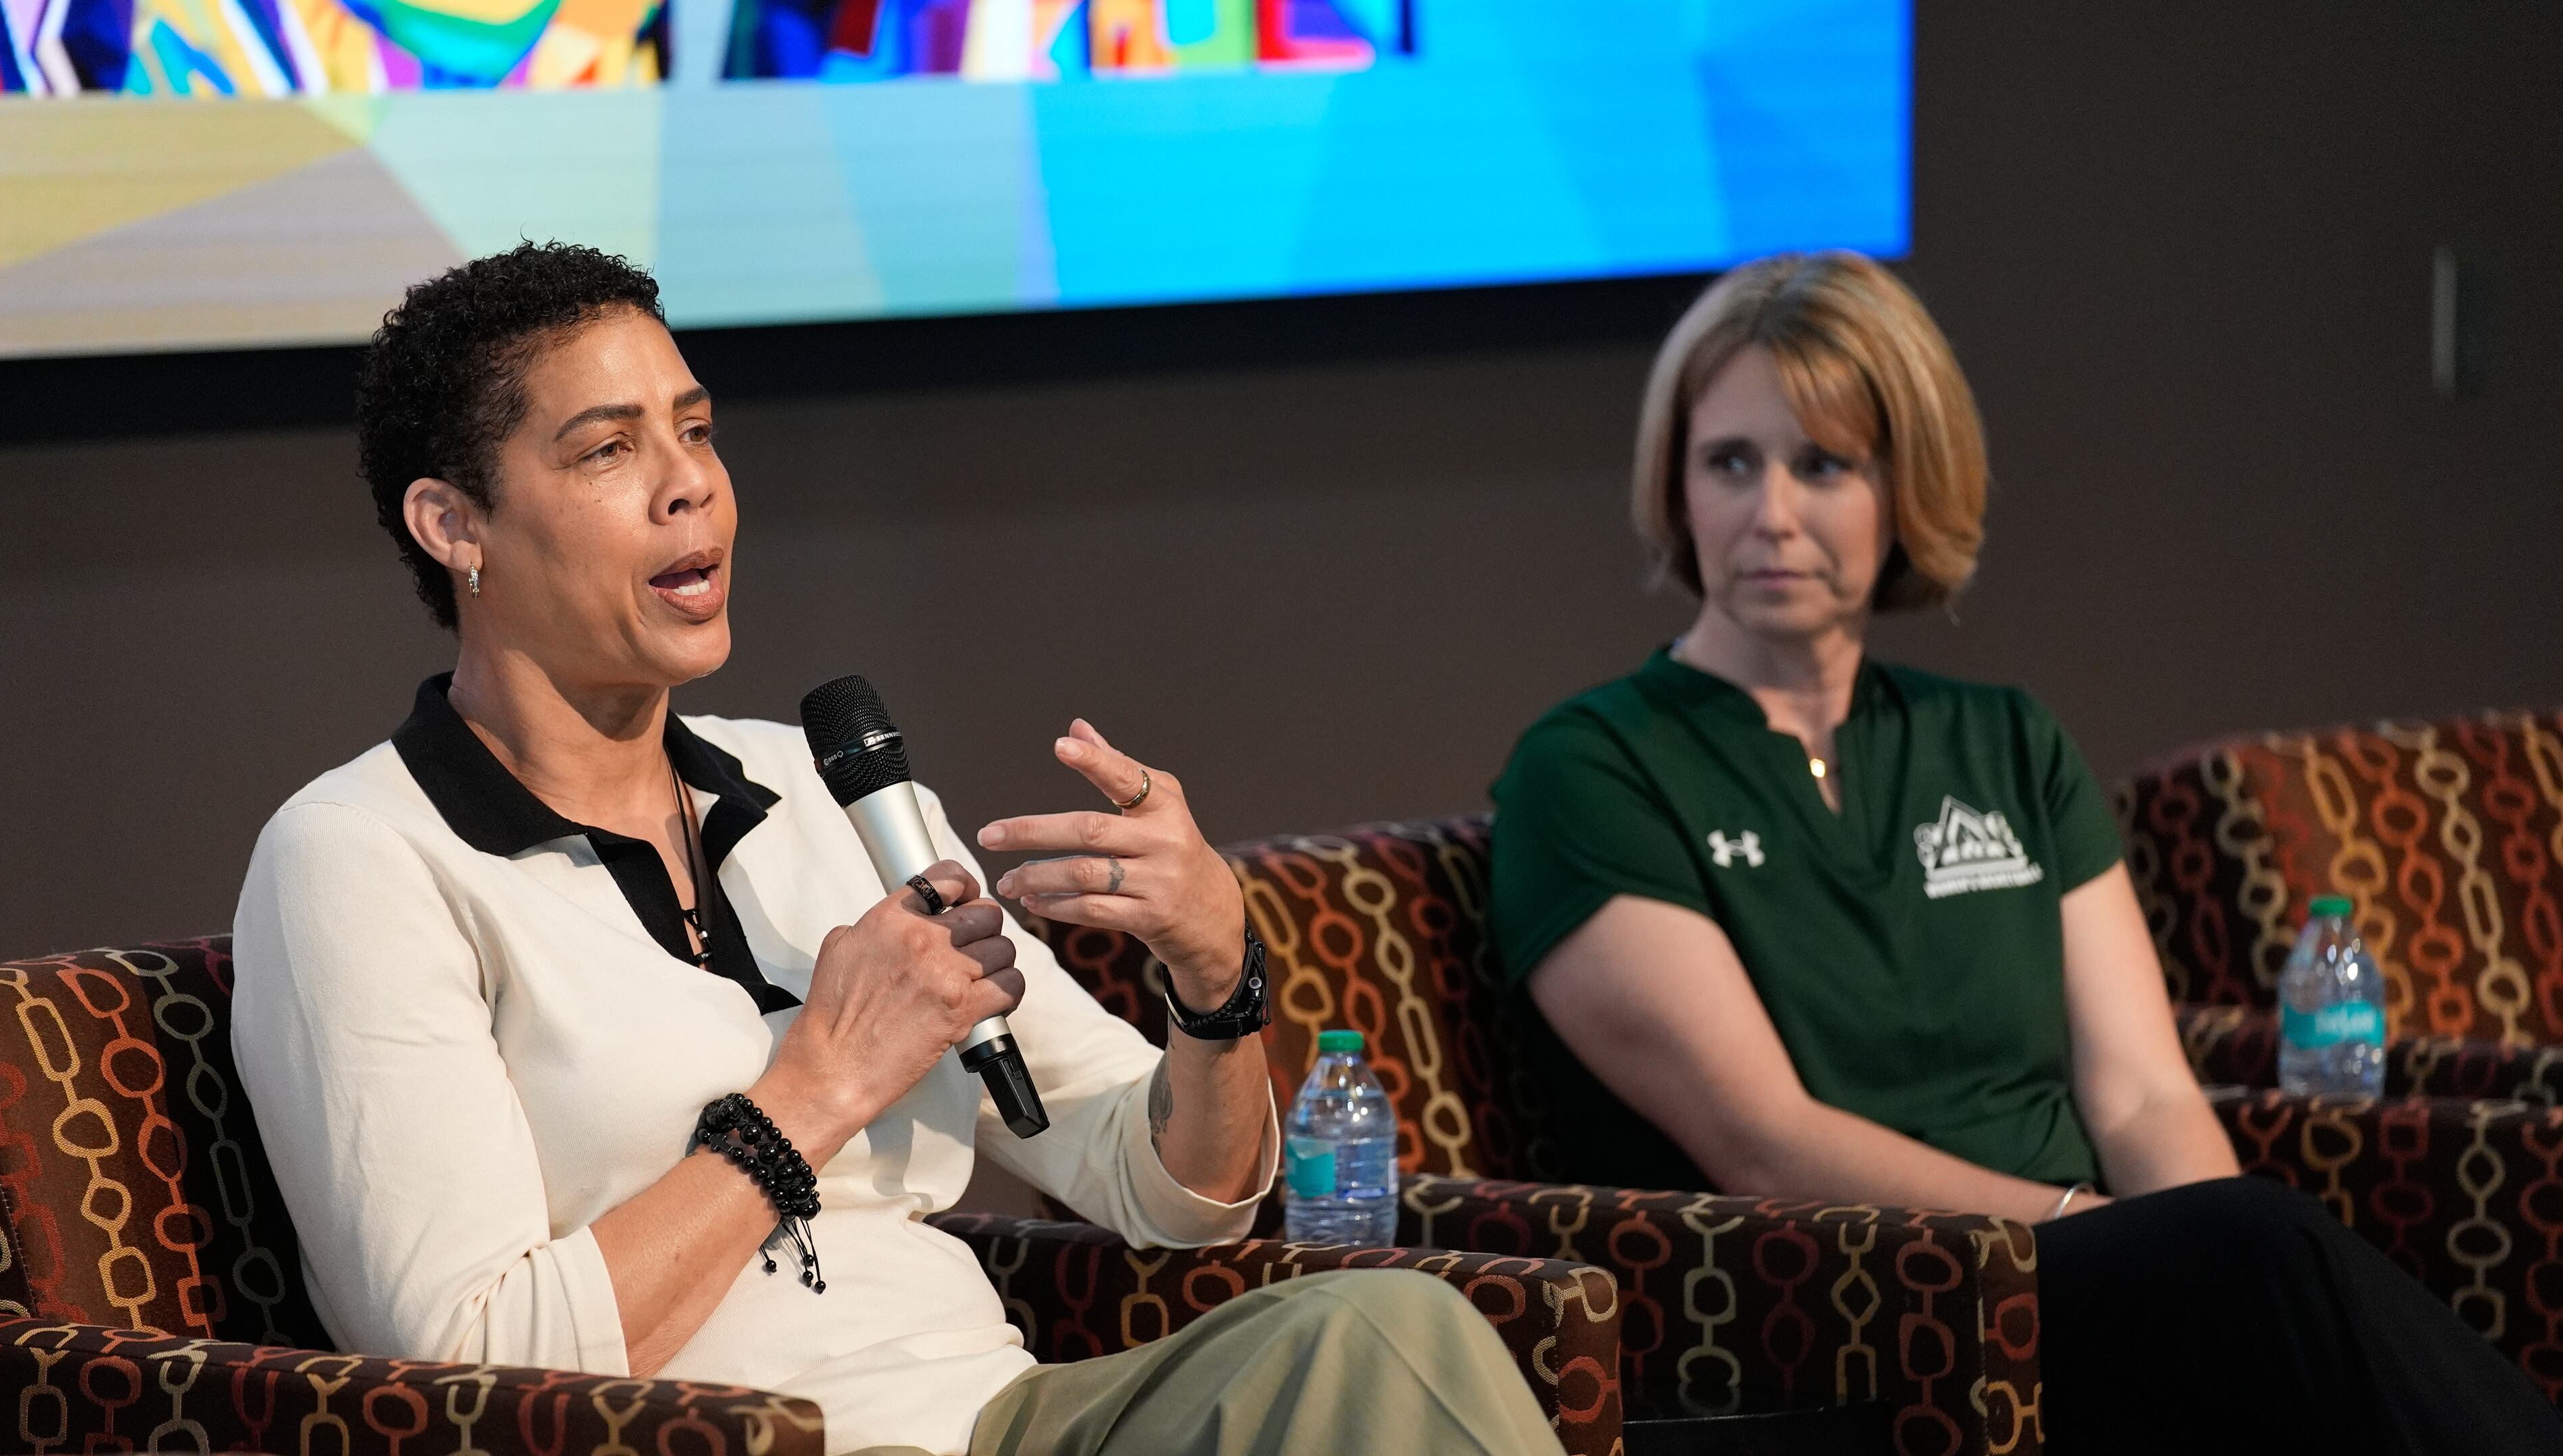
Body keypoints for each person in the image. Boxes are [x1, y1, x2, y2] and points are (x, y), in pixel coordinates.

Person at [230, 242, 1563, 1456]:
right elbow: (458, 1369)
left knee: (1392, 1334)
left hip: (998, 1420)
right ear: (454, 525)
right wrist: (817, 1087)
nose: (690, 481)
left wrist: (1217, 985)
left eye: (696, 431)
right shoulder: (358, 860)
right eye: (608, 451)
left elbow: (1170, 1191)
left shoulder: (818, 786)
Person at [1487, 251, 2563, 1454]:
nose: (1771, 514)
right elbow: (1761, 1140)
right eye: (1729, 463)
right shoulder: (1591, 769)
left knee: (2255, 1256)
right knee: (2259, 1259)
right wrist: (2103, 1234)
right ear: (1677, 487)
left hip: (2087, 1286)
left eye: (1825, 466)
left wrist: (2183, 1242)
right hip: (1837, 1312)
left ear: (1907, 489)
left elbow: (2144, 1092)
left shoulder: (2004, 741)